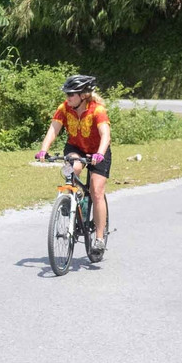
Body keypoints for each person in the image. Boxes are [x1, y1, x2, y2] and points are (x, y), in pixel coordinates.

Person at [35, 74, 112, 256]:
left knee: (96, 191)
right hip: (75, 147)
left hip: (98, 151)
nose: (68, 98)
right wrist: (43, 150)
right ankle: (72, 203)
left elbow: (105, 135)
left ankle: (99, 239)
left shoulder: (97, 110)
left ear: (83, 95)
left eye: (71, 94)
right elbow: (53, 129)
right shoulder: (64, 108)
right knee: (73, 169)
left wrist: (99, 154)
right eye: (67, 94)